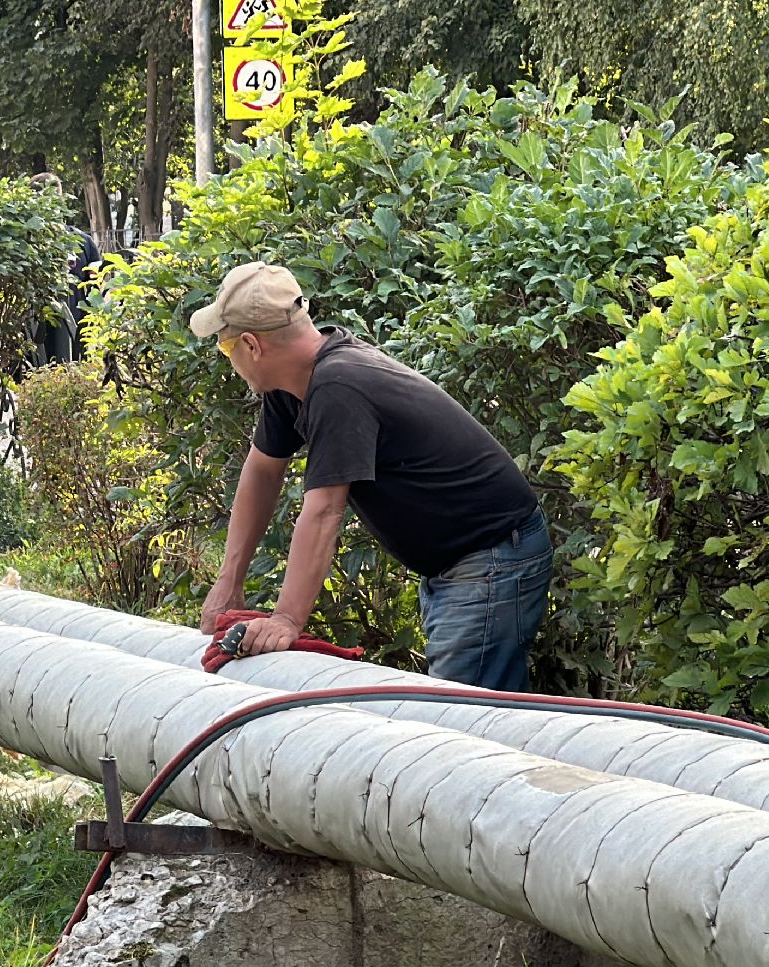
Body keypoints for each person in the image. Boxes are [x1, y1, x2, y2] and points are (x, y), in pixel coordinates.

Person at [190, 261, 550, 691]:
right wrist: (229, 581)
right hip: (463, 560)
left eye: (225, 349)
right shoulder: (294, 383)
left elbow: (324, 510)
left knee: (463, 723)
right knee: (468, 714)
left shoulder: (338, 386)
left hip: (490, 555)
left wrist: (286, 620)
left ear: (252, 345)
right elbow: (263, 471)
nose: (229, 359)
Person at [27, 172, 101, 368]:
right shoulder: (25, 242)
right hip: (38, 331)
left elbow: (95, 287)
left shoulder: (83, 242)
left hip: (76, 330)